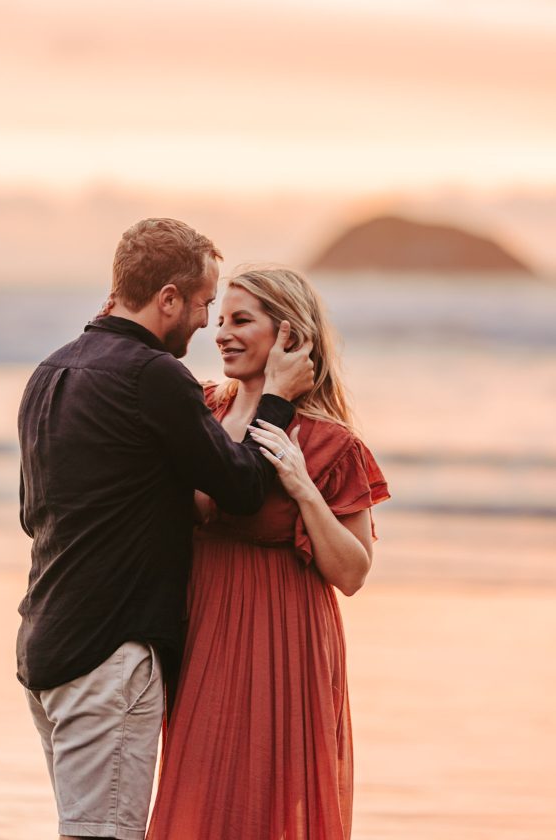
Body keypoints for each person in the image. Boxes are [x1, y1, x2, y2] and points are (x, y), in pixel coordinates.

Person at [16, 220, 314, 840]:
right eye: (205, 303)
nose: (207, 322)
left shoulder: (50, 372)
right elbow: (239, 487)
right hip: (111, 652)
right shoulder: (151, 374)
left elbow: (32, 514)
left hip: (45, 646)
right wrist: (278, 399)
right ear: (169, 298)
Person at [147, 265, 390, 840]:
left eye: (242, 321)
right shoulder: (201, 407)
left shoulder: (333, 443)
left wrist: (303, 487)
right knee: (199, 792)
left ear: (290, 336)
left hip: (283, 639)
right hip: (202, 628)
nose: (222, 333)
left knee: (268, 794)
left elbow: (353, 573)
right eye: (221, 319)